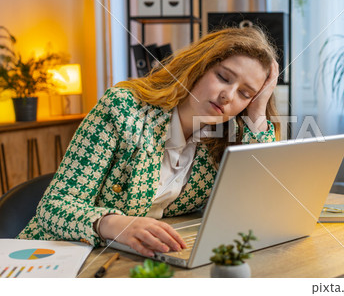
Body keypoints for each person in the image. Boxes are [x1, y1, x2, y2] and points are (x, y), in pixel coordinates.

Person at [18, 27, 280, 258]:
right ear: (198, 67)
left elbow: (256, 205)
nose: (227, 96)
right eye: (223, 77)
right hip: (55, 257)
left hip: (133, 260)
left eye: (245, 94)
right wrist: (114, 224)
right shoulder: (123, 108)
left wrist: (258, 112)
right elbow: (53, 207)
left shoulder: (224, 139)